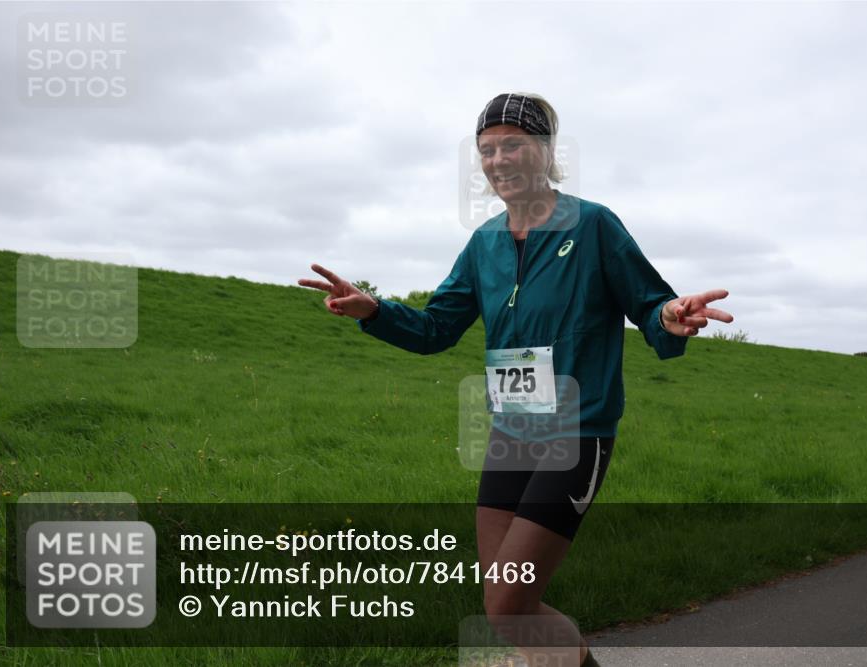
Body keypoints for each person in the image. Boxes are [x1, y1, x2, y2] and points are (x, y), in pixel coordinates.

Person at [299, 92, 734, 667]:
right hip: (509, 436)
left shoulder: (596, 226)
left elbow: (651, 304)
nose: (498, 160)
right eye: (486, 150)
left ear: (545, 151)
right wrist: (374, 311)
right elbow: (436, 327)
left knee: (507, 606)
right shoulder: (484, 245)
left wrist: (670, 319)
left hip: (576, 434)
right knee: (508, 611)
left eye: (513, 145)